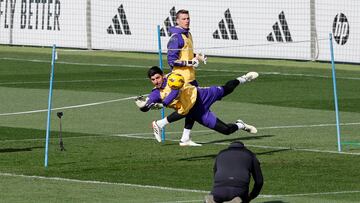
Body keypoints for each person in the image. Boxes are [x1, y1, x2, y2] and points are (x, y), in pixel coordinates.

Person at [135, 66, 258, 145]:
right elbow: (147, 106)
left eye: (157, 77)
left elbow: (175, 91)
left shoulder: (172, 77)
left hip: (202, 95)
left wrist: (164, 103)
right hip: (197, 111)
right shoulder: (156, 93)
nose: (156, 81)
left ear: (162, 75)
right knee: (226, 130)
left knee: (227, 89)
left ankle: (243, 78)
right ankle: (241, 125)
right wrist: (143, 106)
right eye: (153, 79)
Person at [167, 9, 207, 146]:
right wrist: (190, 63)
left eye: (188, 18)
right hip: (182, 79)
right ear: (177, 21)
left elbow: (187, 53)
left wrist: (197, 56)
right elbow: (171, 61)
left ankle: (185, 138)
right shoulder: (175, 37)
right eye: (183, 19)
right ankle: (161, 123)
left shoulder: (188, 34)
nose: (187, 20)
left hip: (191, 77)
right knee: (188, 108)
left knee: (193, 107)